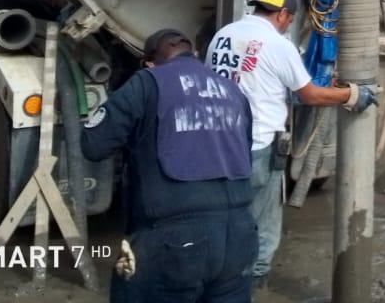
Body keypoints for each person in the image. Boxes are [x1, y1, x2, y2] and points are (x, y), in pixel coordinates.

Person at [205, 0, 377, 288]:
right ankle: (251, 281)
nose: (287, 25)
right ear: (283, 14)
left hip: (216, 143)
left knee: (224, 216)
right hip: (257, 145)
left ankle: (216, 275)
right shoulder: (278, 44)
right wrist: (350, 95)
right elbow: (310, 95)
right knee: (263, 221)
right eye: (289, 19)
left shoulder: (223, 35)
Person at [81, 28, 256, 303]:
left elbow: (93, 144)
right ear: (194, 54)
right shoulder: (232, 90)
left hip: (174, 238)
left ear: (149, 63)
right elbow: (245, 151)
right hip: (240, 235)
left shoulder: (147, 82)